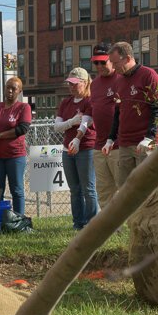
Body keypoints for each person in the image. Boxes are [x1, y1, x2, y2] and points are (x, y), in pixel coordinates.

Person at [102, 41, 158, 186]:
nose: (113, 67)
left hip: (145, 143)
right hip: (125, 143)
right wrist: (111, 139)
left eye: (115, 63)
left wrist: (149, 137)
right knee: (124, 188)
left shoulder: (149, 75)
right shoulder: (119, 81)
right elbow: (118, 112)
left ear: (128, 58)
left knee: (147, 188)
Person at [54, 67, 98, 230]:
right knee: (74, 189)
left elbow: (85, 123)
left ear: (85, 83)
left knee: (88, 188)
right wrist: (72, 121)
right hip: (67, 150)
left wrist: (77, 138)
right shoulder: (65, 102)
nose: (71, 87)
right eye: (69, 84)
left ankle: (92, 225)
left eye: (74, 84)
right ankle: (78, 223)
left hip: (86, 148)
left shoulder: (90, 101)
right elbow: (57, 127)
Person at [0, 77, 32, 215]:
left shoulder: (23, 107)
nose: (10, 90)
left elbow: (22, 129)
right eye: (8, 87)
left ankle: (18, 219)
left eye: (14, 88)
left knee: (16, 189)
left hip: (15, 155)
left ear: (19, 91)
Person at [89, 42, 120, 208]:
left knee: (123, 188)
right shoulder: (94, 84)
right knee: (103, 189)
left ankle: (129, 223)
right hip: (99, 145)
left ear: (112, 60)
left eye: (103, 62)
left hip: (118, 144)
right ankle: (110, 227)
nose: (99, 66)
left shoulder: (121, 79)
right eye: (96, 62)